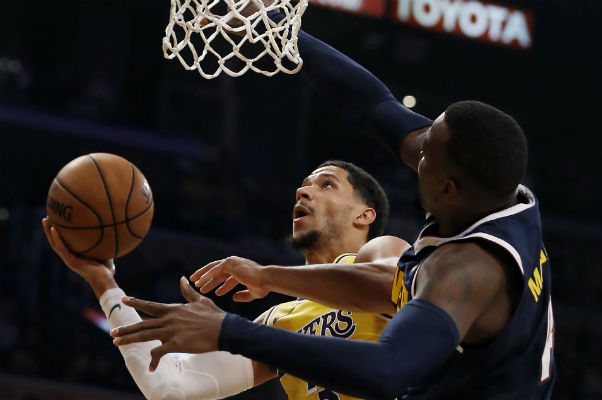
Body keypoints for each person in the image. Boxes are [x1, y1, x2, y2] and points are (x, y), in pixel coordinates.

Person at [110, 5, 556, 400]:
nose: (413, 150)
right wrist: (276, 28)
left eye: (424, 156)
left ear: (449, 189)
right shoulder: (497, 193)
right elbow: (372, 106)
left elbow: (386, 369)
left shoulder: (465, 272)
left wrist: (230, 329)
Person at [43, 160, 410, 400]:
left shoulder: (382, 249)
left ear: (364, 215)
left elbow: (383, 286)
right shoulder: (279, 322)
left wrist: (265, 276)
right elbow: (170, 387)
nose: (303, 191)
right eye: (303, 185)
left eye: (327, 185)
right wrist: (105, 285)